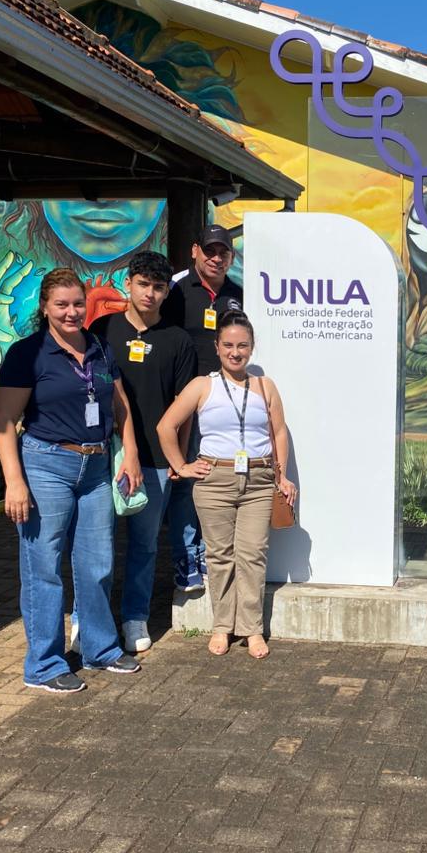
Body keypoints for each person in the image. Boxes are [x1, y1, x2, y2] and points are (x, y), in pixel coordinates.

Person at [0, 268, 143, 693]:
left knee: (97, 562)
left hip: (97, 469)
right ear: (45, 307)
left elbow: (121, 405)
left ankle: (100, 649)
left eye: (77, 303)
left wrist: (129, 453)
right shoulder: (28, 353)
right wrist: (14, 481)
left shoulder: (97, 347)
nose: (71, 312)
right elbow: (4, 421)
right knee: (44, 568)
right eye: (61, 304)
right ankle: (44, 664)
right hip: (46, 465)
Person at [156, 311, 297, 659]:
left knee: (252, 555)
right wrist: (181, 466)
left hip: (260, 480)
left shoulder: (265, 385)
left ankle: (251, 629)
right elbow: (166, 427)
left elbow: (278, 431)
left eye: (243, 345)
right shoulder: (203, 386)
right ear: (217, 347)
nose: (236, 352)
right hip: (214, 480)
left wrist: (282, 475)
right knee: (219, 556)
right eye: (229, 345)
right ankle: (222, 625)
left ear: (252, 348)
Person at [79, 252, 197, 655]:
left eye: (159, 287)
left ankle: (134, 618)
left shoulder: (178, 340)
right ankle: (84, 618)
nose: (150, 293)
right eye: (143, 283)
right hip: (101, 457)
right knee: (96, 545)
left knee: (145, 547)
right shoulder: (101, 329)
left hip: (155, 462)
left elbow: (185, 408)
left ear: (166, 292)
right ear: (128, 283)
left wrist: (178, 461)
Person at [161, 224, 244, 593]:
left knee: (216, 478)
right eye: (209, 250)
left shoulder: (237, 294)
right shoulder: (177, 289)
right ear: (196, 251)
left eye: (222, 252)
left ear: (231, 256)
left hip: (224, 403)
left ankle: (211, 553)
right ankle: (186, 556)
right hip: (185, 401)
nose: (216, 257)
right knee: (186, 480)